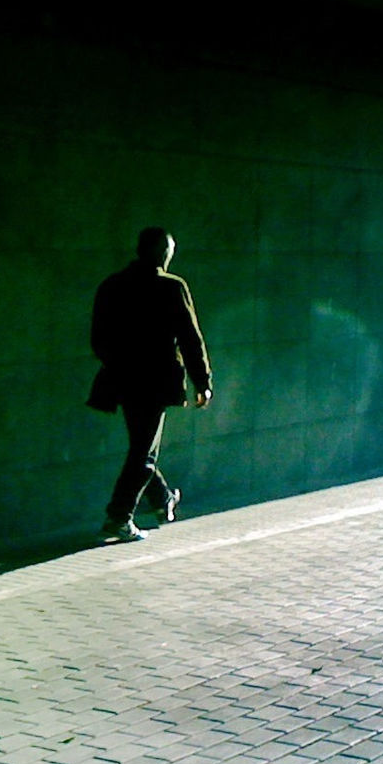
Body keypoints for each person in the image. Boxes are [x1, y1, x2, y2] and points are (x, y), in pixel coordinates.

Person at [87, 227, 213, 542]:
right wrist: (202, 382)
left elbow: (98, 338)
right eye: (168, 250)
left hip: (123, 380)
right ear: (161, 253)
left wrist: (120, 362)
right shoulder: (171, 287)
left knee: (141, 448)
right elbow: (189, 338)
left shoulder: (112, 286)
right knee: (144, 452)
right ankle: (119, 517)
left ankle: (163, 498)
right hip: (156, 381)